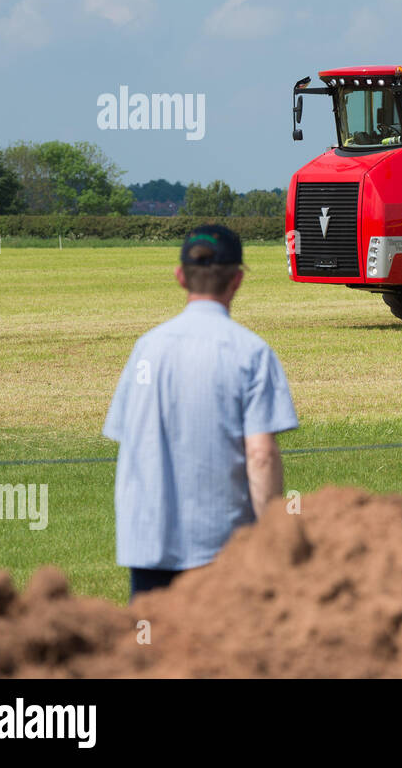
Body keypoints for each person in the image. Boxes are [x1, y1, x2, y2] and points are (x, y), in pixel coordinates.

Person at [103, 225, 298, 600]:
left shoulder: (145, 349)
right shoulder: (251, 353)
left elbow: (127, 438)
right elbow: (260, 455)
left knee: (152, 650)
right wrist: (270, 535)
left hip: (148, 544)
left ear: (180, 277)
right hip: (222, 547)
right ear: (237, 280)